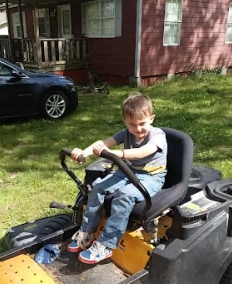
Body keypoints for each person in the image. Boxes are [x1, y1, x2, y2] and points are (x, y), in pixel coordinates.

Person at [67, 92, 168, 265]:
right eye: (132, 125)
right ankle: (87, 232)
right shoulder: (126, 133)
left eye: (142, 123)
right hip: (129, 170)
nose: (137, 129)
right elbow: (103, 144)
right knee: (97, 187)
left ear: (151, 118)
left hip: (151, 176)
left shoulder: (157, 136)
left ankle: (106, 244)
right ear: (125, 122)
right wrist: (83, 153)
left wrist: (119, 154)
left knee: (125, 196)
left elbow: (143, 152)